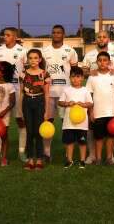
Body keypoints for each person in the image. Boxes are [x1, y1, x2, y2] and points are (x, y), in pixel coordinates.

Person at [81, 30, 114, 164]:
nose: (101, 39)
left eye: (104, 36)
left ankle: (110, 157)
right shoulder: (90, 59)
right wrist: (91, 111)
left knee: (111, 134)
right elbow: (88, 92)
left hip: (112, 110)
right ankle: (96, 156)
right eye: (99, 37)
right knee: (97, 136)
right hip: (98, 111)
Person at [41, 24, 78, 162]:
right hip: (48, 94)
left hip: (65, 94)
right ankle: (46, 153)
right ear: (51, 34)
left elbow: (75, 73)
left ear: (63, 35)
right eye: (54, 32)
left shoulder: (70, 51)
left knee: (66, 124)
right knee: (47, 123)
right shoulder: (44, 52)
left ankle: (68, 154)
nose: (56, 34)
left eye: (59, 32)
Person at [0, 27, 27, 162]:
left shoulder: (22, 51)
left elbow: (25, 71)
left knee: (20, 120)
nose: (4, 37)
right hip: (1, 92)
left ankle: (21, 151)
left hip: (17, 90)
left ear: (14, 37)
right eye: (4, 35)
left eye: (8, 35)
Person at [20, 49, 51, 170]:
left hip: (39, 102)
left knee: (38, 132)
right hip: (27, 102)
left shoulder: (44, 74)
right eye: (30, 58)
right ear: (27, 59)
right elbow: (22, 93)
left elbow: (47, 94)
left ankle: (39, 159)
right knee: (29, 131)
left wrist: (46, 111)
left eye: (35, 58)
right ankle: (29, 159)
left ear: (40, 59)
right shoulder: (23, 73)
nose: (33, 60)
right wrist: (20, 110)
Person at [59, 67, 92, 169]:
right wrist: (67, 103)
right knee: (69, 142)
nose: (75, 79)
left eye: (78, 77)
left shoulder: (85, 90)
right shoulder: (66, 90)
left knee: (82, 142)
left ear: (82, 78)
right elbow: (60, 102)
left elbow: (90, 103)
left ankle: (82, 160)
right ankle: (69, 160)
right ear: (69, 78)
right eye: (73, 77)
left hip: (82, 124)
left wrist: (83, 104)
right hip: (69, 123)